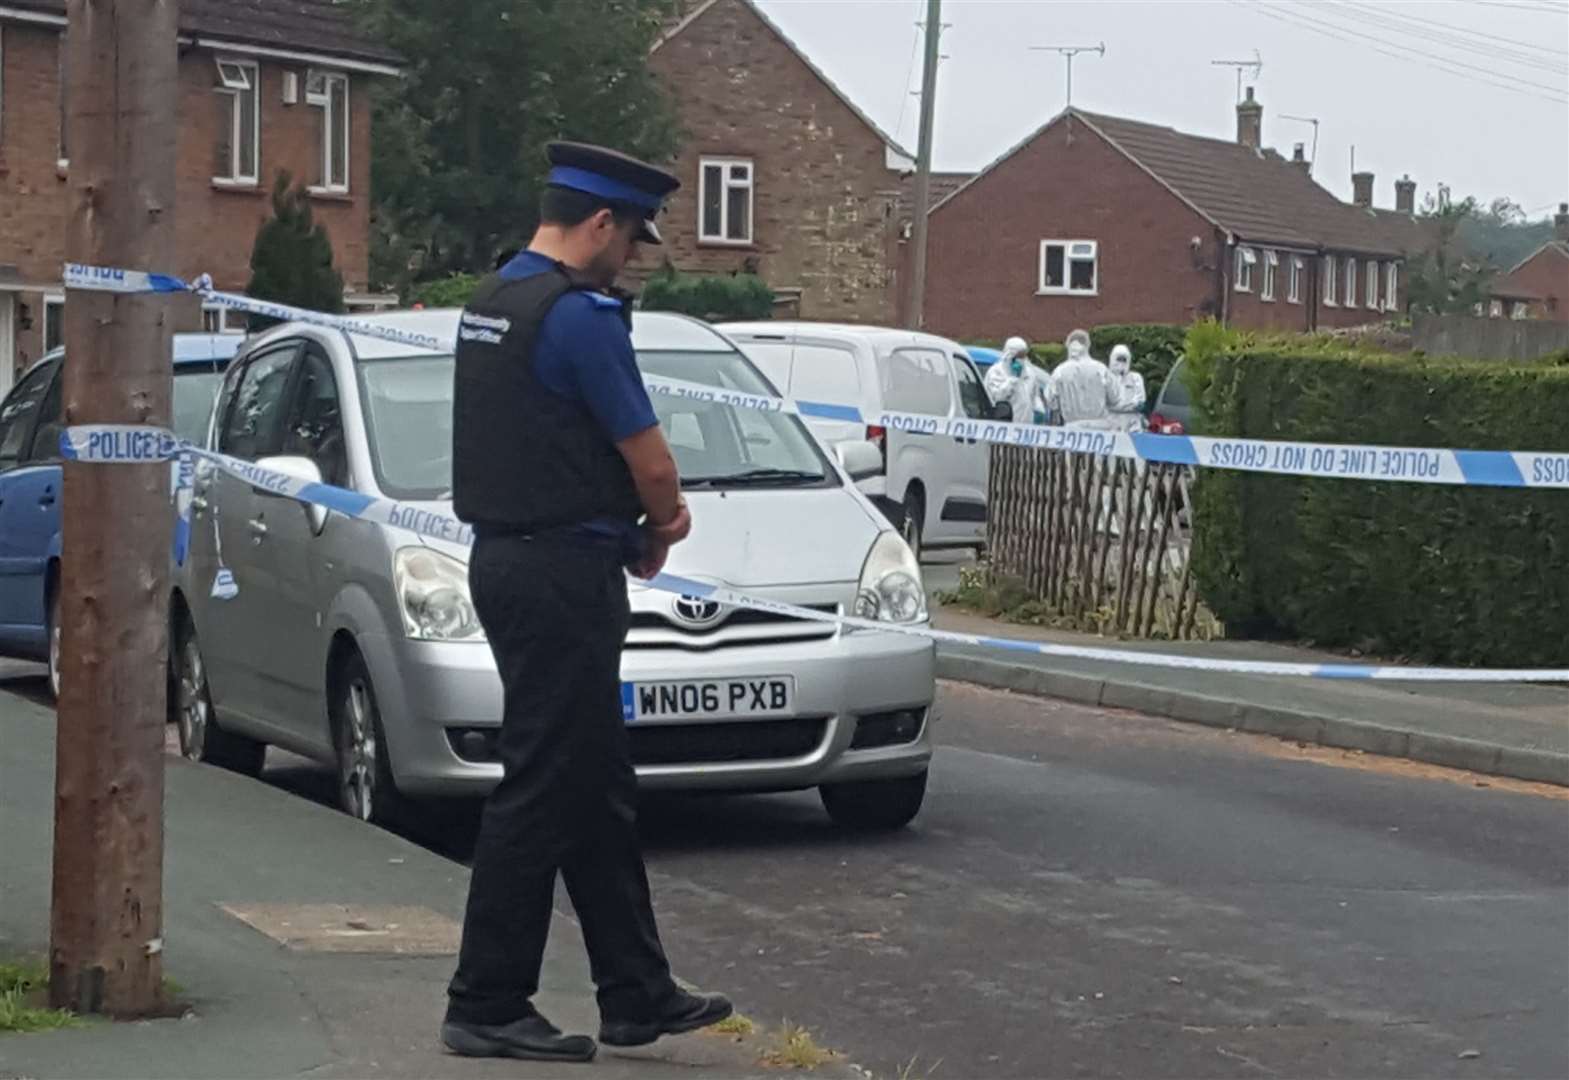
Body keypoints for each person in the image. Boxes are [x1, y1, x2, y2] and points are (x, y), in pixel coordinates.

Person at [444, 141, 732, 1064]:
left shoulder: (493, 301)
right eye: (633, 239)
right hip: (564, 574)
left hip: (507, 560)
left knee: (594, 780)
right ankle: (486, 1000)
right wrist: (665, 522)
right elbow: (648, 455)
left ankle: (635, 992)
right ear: (600, 224)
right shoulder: (580, 317)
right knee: (541, 783)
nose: (635, 258)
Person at [1048, 329, 1121, 428]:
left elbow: (1051, 401)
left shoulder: (1059, 371)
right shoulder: (1101, 369)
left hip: (1073, 428)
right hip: (1100, 427)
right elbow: (1115, 398)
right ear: (1087, 346)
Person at [983, 335, 1050, 424]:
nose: (1022, 360)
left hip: (1025, 428)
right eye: (1019, 356)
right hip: (1005, 427)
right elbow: (998, 397)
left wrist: (1039, 410)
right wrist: (1012, 379)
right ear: (1010, 356)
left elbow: (1034, 396)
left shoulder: (1029, 374)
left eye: (1023, 356)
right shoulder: (996, 372)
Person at [1107, 344, 1147, 433]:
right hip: (1110, 424)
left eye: (1123, 359)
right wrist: (1128, 405)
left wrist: (1117, 406)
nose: (1121, 363)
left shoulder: (1136, 378)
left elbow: (1140, 402)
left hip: (1132, 424)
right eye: (1118, 359)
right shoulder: (1104, 378)